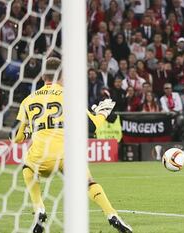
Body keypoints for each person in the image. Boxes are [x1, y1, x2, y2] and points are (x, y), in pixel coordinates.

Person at [13, 58, 132, 232]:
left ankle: (39, 208)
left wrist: (31, 130)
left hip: (41, 157)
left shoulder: (28, 100)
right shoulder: (69, 96)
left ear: (42, 76)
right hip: (66, 156)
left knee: (27, 168)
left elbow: (16, 138)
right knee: (89, 183)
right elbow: (90, 126)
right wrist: (102, 113)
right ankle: (111, 214)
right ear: (62, 76)